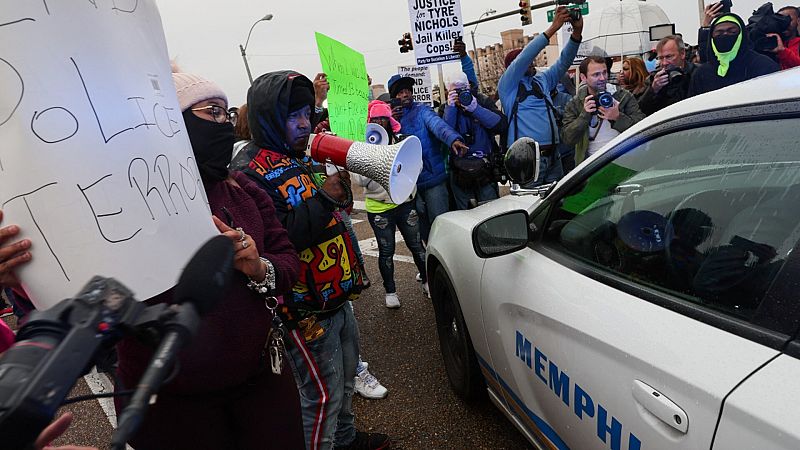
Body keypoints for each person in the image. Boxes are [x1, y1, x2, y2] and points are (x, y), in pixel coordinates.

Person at [0, 68, 306, 449]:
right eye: (211, 112)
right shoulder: (113, 201)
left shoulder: (245, 191)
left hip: (262, 382)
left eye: (227, 114)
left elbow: (289, 261)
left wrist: (259, 267)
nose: (225, 125)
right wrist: (28, 275)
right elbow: (71, 301)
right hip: (167, 405)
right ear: (168, 123)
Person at [230, 70, 390, 450]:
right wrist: (325, 199)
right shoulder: (250, 171)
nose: (304, 123)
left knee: (347, 378)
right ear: (268, 118)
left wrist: (338, 192)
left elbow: (333, 214)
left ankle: (346, 440)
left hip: (335, 298)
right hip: (303, 310)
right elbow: (278, 238)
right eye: (292, 116)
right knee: (321, 396)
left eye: (306, 113)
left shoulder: (299, 156)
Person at [354, 99, 429, 312]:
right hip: (379, 208)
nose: (379, 122)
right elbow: (359, 181)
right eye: (375, 118)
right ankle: (390, 291)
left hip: (405, 203)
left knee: (417, 246)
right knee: (386, 251)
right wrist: (374, 160)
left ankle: (426, 280)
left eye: (382, 118)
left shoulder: (402, 141)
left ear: (389, 120)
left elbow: (416, 166)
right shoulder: (363, 146)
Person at [497, 6, 583, 186]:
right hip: (527, 162)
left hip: (554, 156)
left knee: (555, 205)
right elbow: (524, 57)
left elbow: (564, 62)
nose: (531, 63)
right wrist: (552, 29)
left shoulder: (541, 80)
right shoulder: (508, 86)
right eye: (525, 62)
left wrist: (577, 33)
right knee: (532, 208)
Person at [387, 74, 467, 246]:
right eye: (400, 93)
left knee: (442, 223)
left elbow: (438, 125)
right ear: (393, 97)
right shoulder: (388, 120)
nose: (405, 95)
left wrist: (453, 139)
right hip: (409, 186)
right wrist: (390, 122)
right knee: (422, 228)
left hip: (433, 179)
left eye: (408, 90)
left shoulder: (422, 110)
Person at [561, 55, 645, 164]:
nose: (602, 78)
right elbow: (568, 139)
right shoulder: (575, 103)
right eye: (596, 74)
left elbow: (642, 129)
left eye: (604, 72)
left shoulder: (622, 96)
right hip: (591, 166)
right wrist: (584, 116)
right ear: (583, 77)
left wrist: (617, 117)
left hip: (625, 160)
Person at [443, 73, 507, 209]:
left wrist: (475, 109)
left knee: (491, 211)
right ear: (449, 91)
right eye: (456, 91)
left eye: (463, 89)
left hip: (485, 168)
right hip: (459, 170)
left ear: (469, 86)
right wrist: (451, 109)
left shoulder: (481, 101)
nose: (461, 94)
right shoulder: (447, 108)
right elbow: (444, 134)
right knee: (465, 214)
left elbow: (500, 125)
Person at [689, 13, 780, 96]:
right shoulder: (701, 74)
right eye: (719, 33)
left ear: (742, 35)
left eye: (732, 32)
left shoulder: (763, 66)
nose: (725, 35)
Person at [637, 35, 698, 116]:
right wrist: (653, 90)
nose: (664, 63)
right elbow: (641, 111)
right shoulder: (654, 79)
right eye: (661, 58)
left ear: (682, 53)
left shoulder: (697, 73)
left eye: (669, 57)